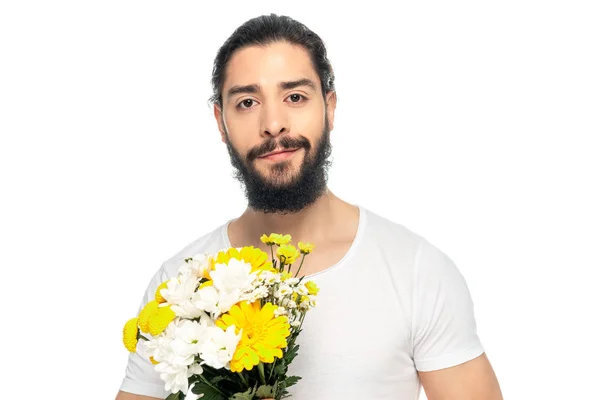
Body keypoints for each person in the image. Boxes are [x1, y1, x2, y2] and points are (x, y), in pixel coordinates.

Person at [115, 13, 503, 400]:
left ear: (329, 108)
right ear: (221, 122)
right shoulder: (180, 286)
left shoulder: (416, 271)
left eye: (295, 97)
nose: (273, 123)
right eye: (247, 102)